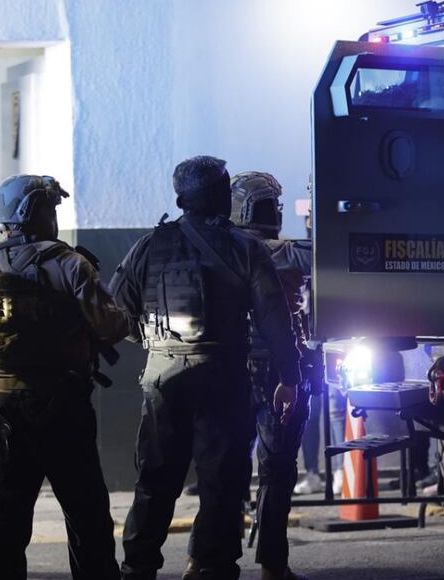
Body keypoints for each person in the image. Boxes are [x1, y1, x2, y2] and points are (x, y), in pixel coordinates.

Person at [111, 156, 301, 580]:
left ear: (180, 199)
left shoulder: (147, 245)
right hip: (224, 378)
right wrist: (290, 378)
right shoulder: (245, 248)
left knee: (155, 481)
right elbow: (275, 321)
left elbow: (115, 311)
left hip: (162, 376)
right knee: (222, 481)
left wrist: (155, 345)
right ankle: (211, 568)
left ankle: (138, 568)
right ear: (220, 196)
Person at [0, 175, 128, 580]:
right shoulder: (69, 264)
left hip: (4, 410)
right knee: (85, 510)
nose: (53, 216)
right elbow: (110, 327)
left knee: (7, 510)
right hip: (64, 407)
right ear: (33, 213)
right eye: (49, 208)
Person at [230, 171, 313, 580]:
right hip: (283, 369)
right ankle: (272, 567)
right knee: (277, 471)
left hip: (231, 370)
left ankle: (206, 560)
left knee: (225, 470)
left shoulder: (222, 249)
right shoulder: (288, 252)